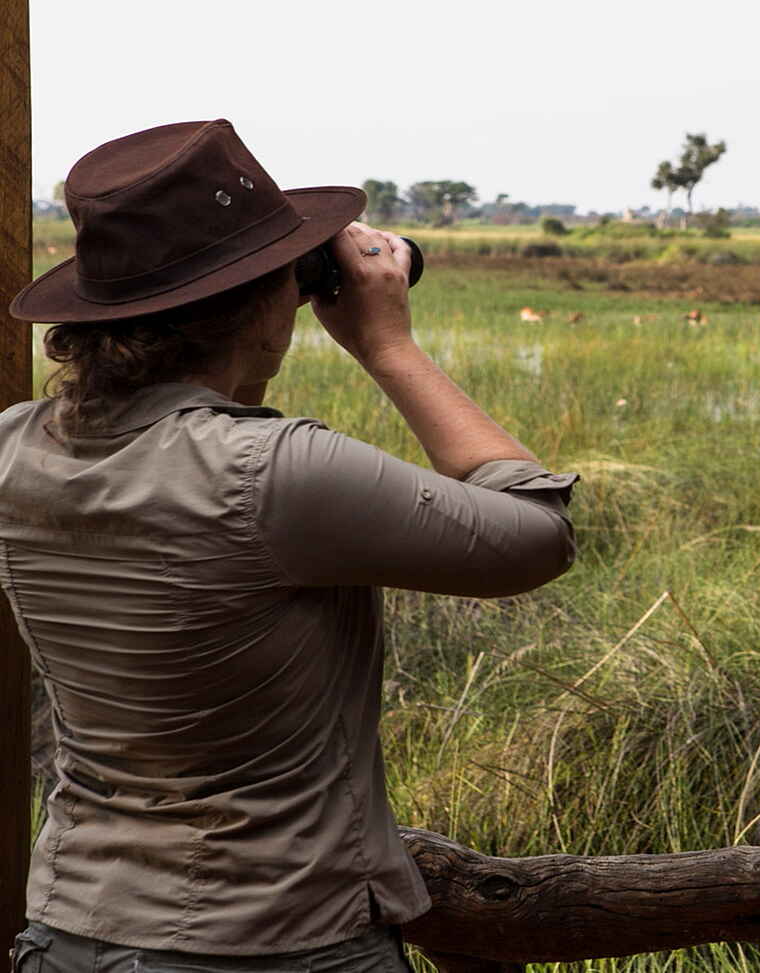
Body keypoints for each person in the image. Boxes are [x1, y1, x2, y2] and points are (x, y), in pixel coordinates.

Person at [2, 120, 577, 971]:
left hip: (69, 931)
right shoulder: (270, 470)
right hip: (274, 942)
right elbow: (536, 533)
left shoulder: (14, 446)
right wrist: (388, 346)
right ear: (261, 303)